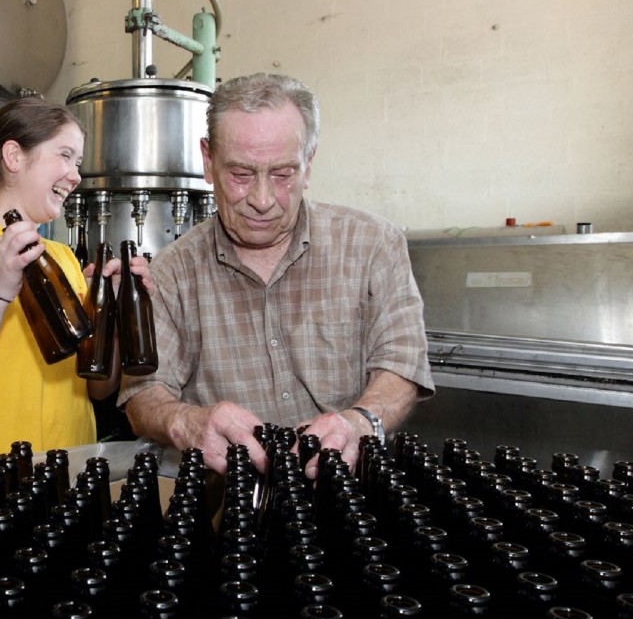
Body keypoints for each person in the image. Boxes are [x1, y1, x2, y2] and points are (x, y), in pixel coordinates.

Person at [118, 73, 434, 474]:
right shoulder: (171, 272)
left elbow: (402, 364)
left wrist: (358, 422)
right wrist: (185, 422)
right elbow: (144, 393)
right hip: (228, 504)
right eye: (241, 175)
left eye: (283, 175)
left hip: (349, 494)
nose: (262, 200)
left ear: (308, 163)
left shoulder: (373, 245)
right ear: (208, 162)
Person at [0, 96, 150, 460]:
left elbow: (98, 390)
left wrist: (112, 316)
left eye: (79, 162)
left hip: (70, 474)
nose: (76, 175)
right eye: (65, 155)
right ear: (14, 157)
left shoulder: (63, 258)